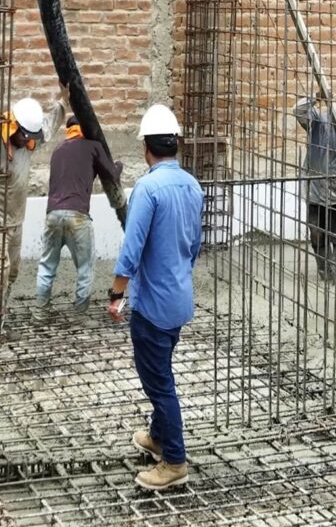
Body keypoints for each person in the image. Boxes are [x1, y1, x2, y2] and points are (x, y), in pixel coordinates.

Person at [107, 103, 203, 492]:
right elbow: (194, 246)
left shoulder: (148, 188)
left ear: (147, 147)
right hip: (179, 300)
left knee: (159, 383)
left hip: (152, 306)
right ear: (176, 144)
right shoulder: (192, 185)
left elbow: (131, 249)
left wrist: (116, 293)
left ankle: (174, 460)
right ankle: (157, 437)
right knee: (162, 369)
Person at [35, 115, 122, 313]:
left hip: (53, 214)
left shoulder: (58, 150)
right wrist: (118, 165)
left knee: (47, 266)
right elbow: (112, 175)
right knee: (85, 269)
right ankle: (79, 315)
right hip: (78, 215)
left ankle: (40, 313)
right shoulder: (93, 146)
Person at [0, 91, 64, 294]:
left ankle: (2, 308)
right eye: (23, 136)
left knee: (12, 271)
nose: (27, 141)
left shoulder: (27, 141)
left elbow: (49, 127)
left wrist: (63, 101)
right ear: (14, 127)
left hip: (17, 219)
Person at [293, 93, 336, 279]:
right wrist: (315, 98)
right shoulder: (319, 122)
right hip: (314, 191)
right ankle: (325, 272)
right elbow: (298, 110)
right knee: (317, 235)